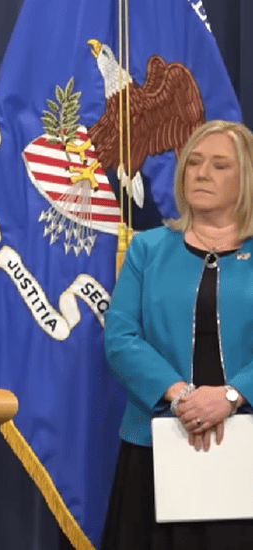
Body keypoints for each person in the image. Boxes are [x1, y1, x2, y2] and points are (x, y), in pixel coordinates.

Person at [103, 119, 253, 549]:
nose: (202, 173)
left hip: (246, 448)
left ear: (246, 178)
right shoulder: (147, 248)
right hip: (158, 441)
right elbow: (121, 337)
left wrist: (229, 396)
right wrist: (181, 395)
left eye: (220, 165)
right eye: (194, 163)